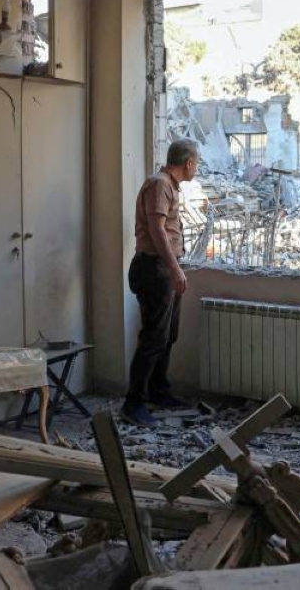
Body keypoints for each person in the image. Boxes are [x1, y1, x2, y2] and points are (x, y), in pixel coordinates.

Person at [122, 139, 200, 427]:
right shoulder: (159, 184)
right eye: (196, 164)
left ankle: (158, 391)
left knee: (168, 335)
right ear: (188, 163)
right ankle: (133, 404)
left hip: (164, 269)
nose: (196, 169)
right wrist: (175, 269)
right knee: (154, 337)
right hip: (154, 269)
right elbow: (157, 230)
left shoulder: (169, 185)